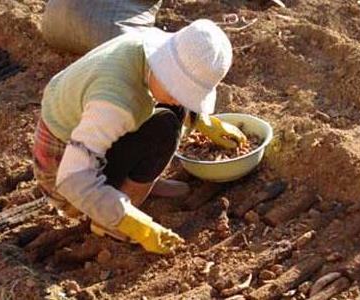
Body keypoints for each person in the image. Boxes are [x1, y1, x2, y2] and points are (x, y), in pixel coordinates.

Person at [32, 19, 246, 254]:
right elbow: (73, 179)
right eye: (179, 88)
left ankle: (134, 179)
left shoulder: (144, 48)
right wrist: (136, 224)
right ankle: (110, 220)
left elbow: (168, 95)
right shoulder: (113, 105)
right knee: (164, 130)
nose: (180, 97)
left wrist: (204, 123)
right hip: (62, 173)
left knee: (175, 110)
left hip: (80, 131)